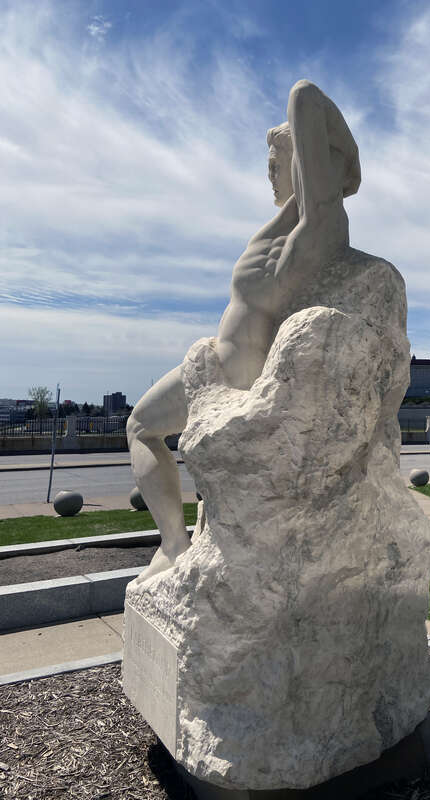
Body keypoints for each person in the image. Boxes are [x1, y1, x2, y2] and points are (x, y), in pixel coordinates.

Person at [127, 81, 360, 584]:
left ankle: (173, 546)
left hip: (233, 375)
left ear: (303, 163)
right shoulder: (285, 227)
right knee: (139, 425)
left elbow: (307, 98)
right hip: (214, 361)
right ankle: (176, 544)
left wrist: (314, 137)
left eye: (275, 165)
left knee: (139, 426)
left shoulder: (318, 225)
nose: (269, 176)